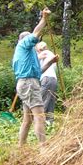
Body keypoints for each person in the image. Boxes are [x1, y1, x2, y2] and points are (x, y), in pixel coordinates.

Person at [12, 8, 59, 146]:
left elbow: (39, 71)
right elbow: (36, 33)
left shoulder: (27, 54)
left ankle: (21, 147)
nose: (34, 41)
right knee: (40, 116)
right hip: (29, 84)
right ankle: (43, 149)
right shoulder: (23, 45)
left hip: (27, 83)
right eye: (31, 39)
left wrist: (51, 62)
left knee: (28, 119)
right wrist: (44, 19)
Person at [36, 41, 58, 126]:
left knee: (42, 100)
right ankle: (50, 121)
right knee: (51, 100)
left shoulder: (43, 54)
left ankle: (39, 123)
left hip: (46, 78)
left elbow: (35, 62)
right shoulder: (52, 54)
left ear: (39, 49)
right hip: (53, 79)